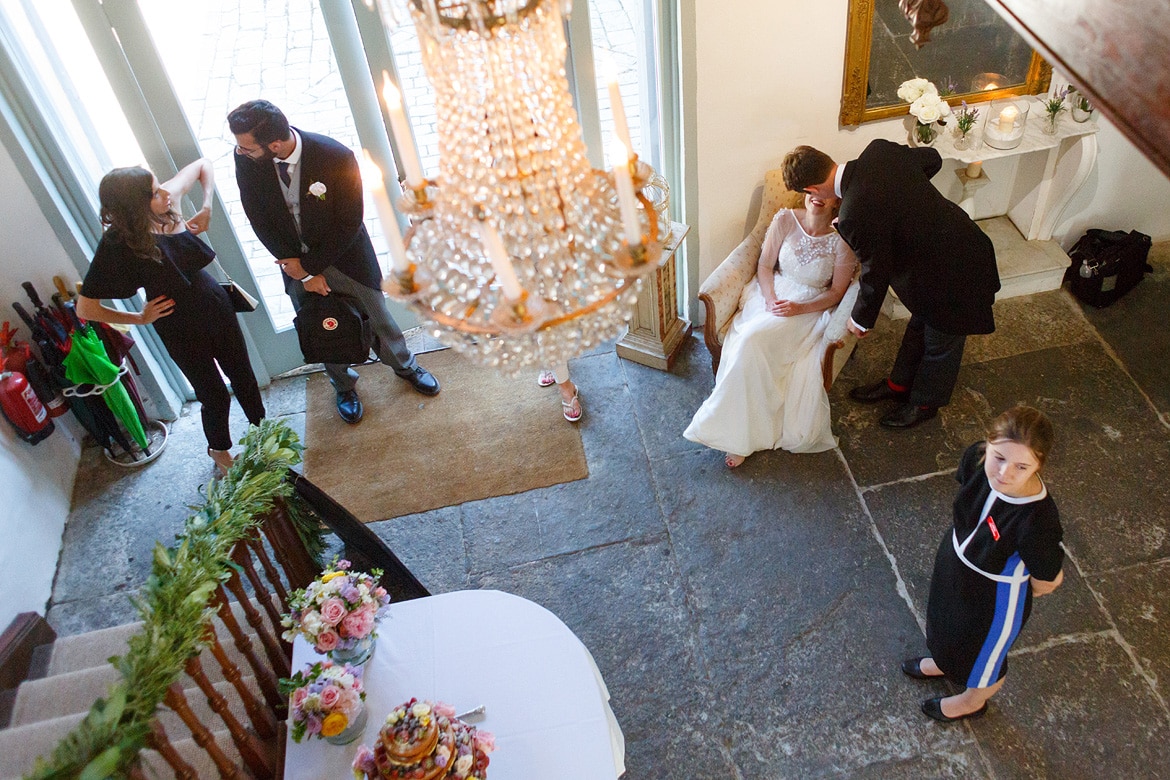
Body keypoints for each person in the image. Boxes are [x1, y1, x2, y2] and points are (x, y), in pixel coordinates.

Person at [228, 100, 438, 424]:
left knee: (377, 316)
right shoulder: (247, 160)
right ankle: (343, 386)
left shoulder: (335, 156)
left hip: (346, 256)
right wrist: (295, 267)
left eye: (246, 147)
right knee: (322, 326)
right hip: (293, 263)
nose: (240, 152)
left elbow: (350, 221)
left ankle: (405, 366)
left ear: (274, 145)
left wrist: (311, 266)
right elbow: (257, 217)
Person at [782, 141, 1000, 429]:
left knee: (942, 342)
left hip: (956, 271)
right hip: (949, 252)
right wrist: (909, 200)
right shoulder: (879, 152)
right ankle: (898, 385)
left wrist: (861, 319)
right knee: (918, 327)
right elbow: (932, 159)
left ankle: (924, 403)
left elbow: (876, 271)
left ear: (811, 190)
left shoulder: (852, 214)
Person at [77, 161, 265, 475]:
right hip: (177, 324)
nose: (164, 192)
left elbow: (203, 166)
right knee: (213, 394)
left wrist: (206, 207)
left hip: (214, 305)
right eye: (153, 192)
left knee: (243, 375)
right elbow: (86, 308)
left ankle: (263, 434)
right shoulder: (116, 243)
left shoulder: (168, 202)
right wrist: (139, 317)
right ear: (135, 206)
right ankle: (219, 450)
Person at [902, 406, 1063, 722]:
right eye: (999, 457)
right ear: (987, 444)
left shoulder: (1039, 519)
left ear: (1038, 466)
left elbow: (1047, 577)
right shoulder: (976, 458)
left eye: (1021, 466)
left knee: (985, 654)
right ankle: (947, 660)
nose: (1004, 474)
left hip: (994, 594)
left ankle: (972, 701)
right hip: (956, 562)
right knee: (946, 622)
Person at [684, 192, 857, 467]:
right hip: (770, 293)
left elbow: (837, 292)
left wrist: (798, 308)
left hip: (808, 308)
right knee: (748, 342)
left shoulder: (842, 241)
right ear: (805, 193)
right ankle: (736, 431)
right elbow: (764, 265)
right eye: (813, 191)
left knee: (752, 341)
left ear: (837, 201)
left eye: (826, 194)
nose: (818, 198)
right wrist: (770, 298)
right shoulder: (785, 219)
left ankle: (736, 432)